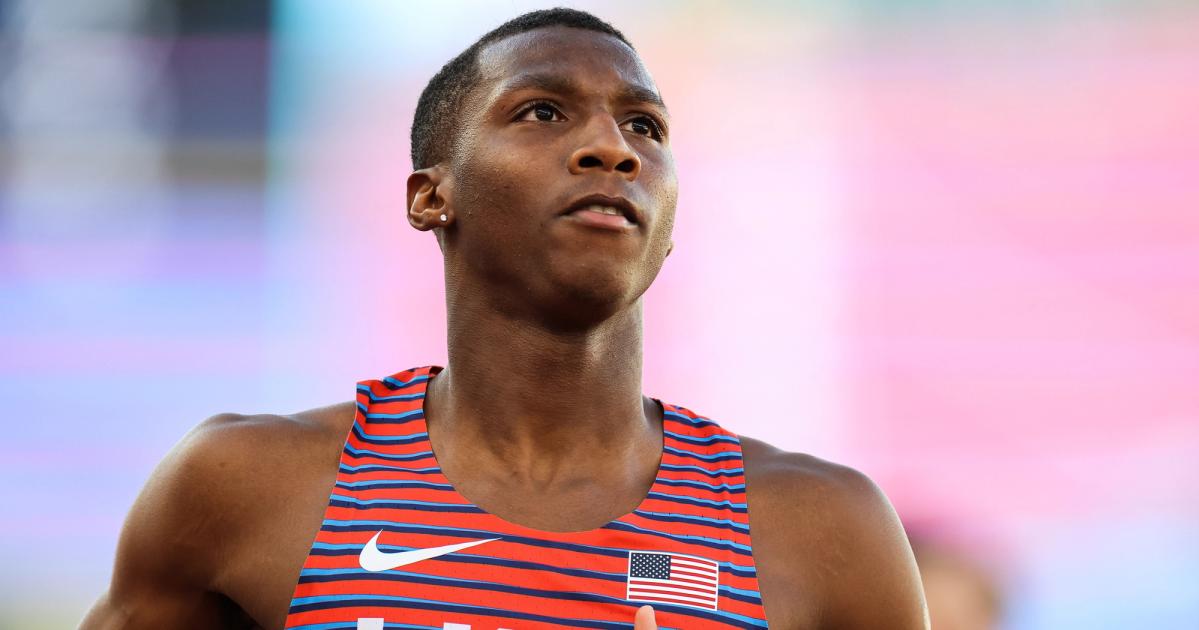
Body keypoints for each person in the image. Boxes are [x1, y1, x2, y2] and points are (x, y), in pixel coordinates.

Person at [81, 8, 927, 629]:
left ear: (668, 226)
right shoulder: (247, 485)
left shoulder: (821, 528)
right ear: (430, 195)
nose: (613, 148)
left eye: (644, 126)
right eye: (543, 111)